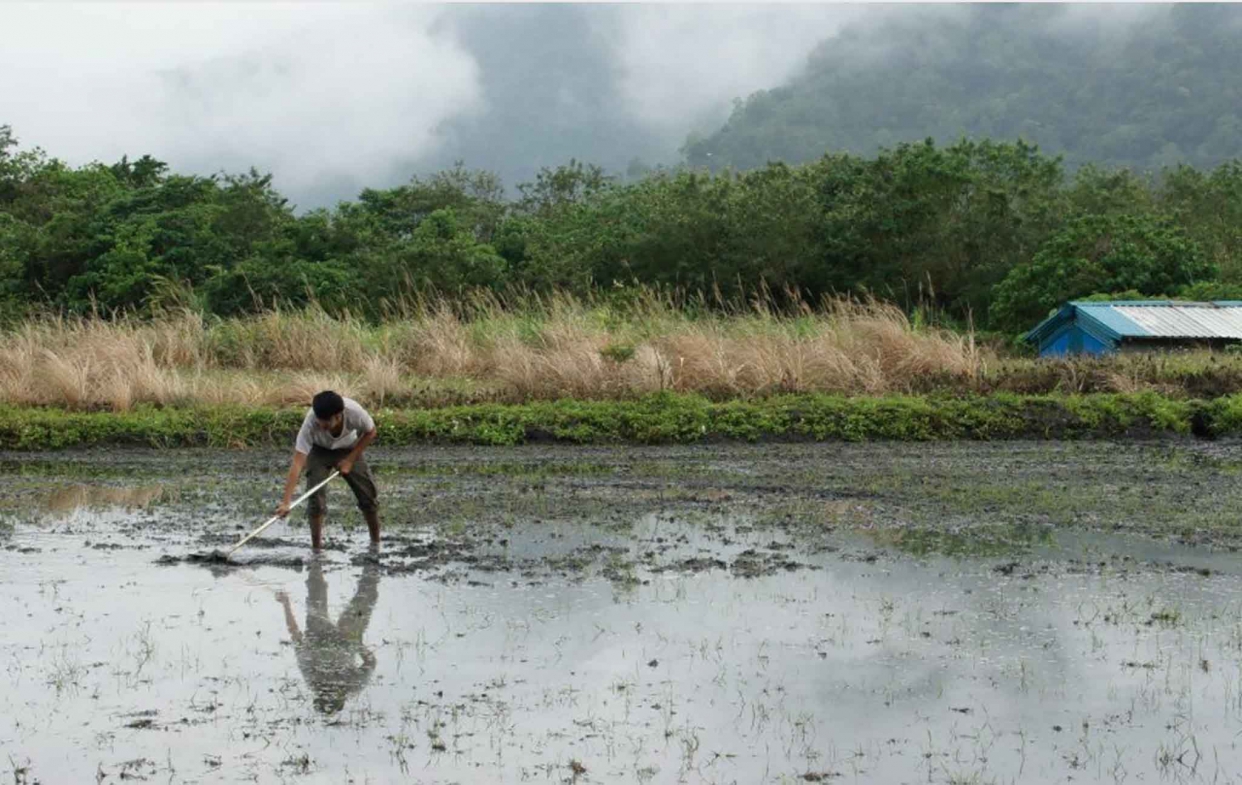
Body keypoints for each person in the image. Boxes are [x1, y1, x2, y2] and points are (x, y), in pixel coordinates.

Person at [275, 390, 380, 550]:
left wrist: (350, 460)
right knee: (315, 498)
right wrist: (286, 502)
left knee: (367, 494)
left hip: (348, 448)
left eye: (326, 421)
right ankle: (316, 549)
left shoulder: (355, 413)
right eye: (319, 420)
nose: (321, 425)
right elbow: (297, 463)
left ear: (338, 416)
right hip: (319, 451)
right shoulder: (310, 422)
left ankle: (376, 543)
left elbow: (371, 432)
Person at [277, 558, 381, 715]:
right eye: (330, 695)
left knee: (316, 591)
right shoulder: (352, 686)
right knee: (367, 596)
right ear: (341, 697)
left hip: (318, 633)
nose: (328, 690)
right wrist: (356, 642)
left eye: (324, 694)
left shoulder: (312, 678)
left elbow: (296, 635)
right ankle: (372, 563)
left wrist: (286, 603)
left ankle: (316, 560)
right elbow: (371, 662)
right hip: (346, 639)